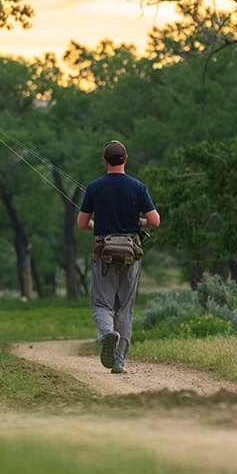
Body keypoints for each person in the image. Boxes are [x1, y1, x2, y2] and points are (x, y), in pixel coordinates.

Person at [77, 140, 160, 374]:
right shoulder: (138, 187)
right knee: (125, 308)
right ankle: (120, 361)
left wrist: (97, 224)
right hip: (131, 255)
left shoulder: (94, 187)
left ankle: (106, 333)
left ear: (104, 161)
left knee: (102, 304)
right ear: (125, 159)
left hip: (103, 253)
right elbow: (154, 221)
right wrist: (139, 222)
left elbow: (82, 224)